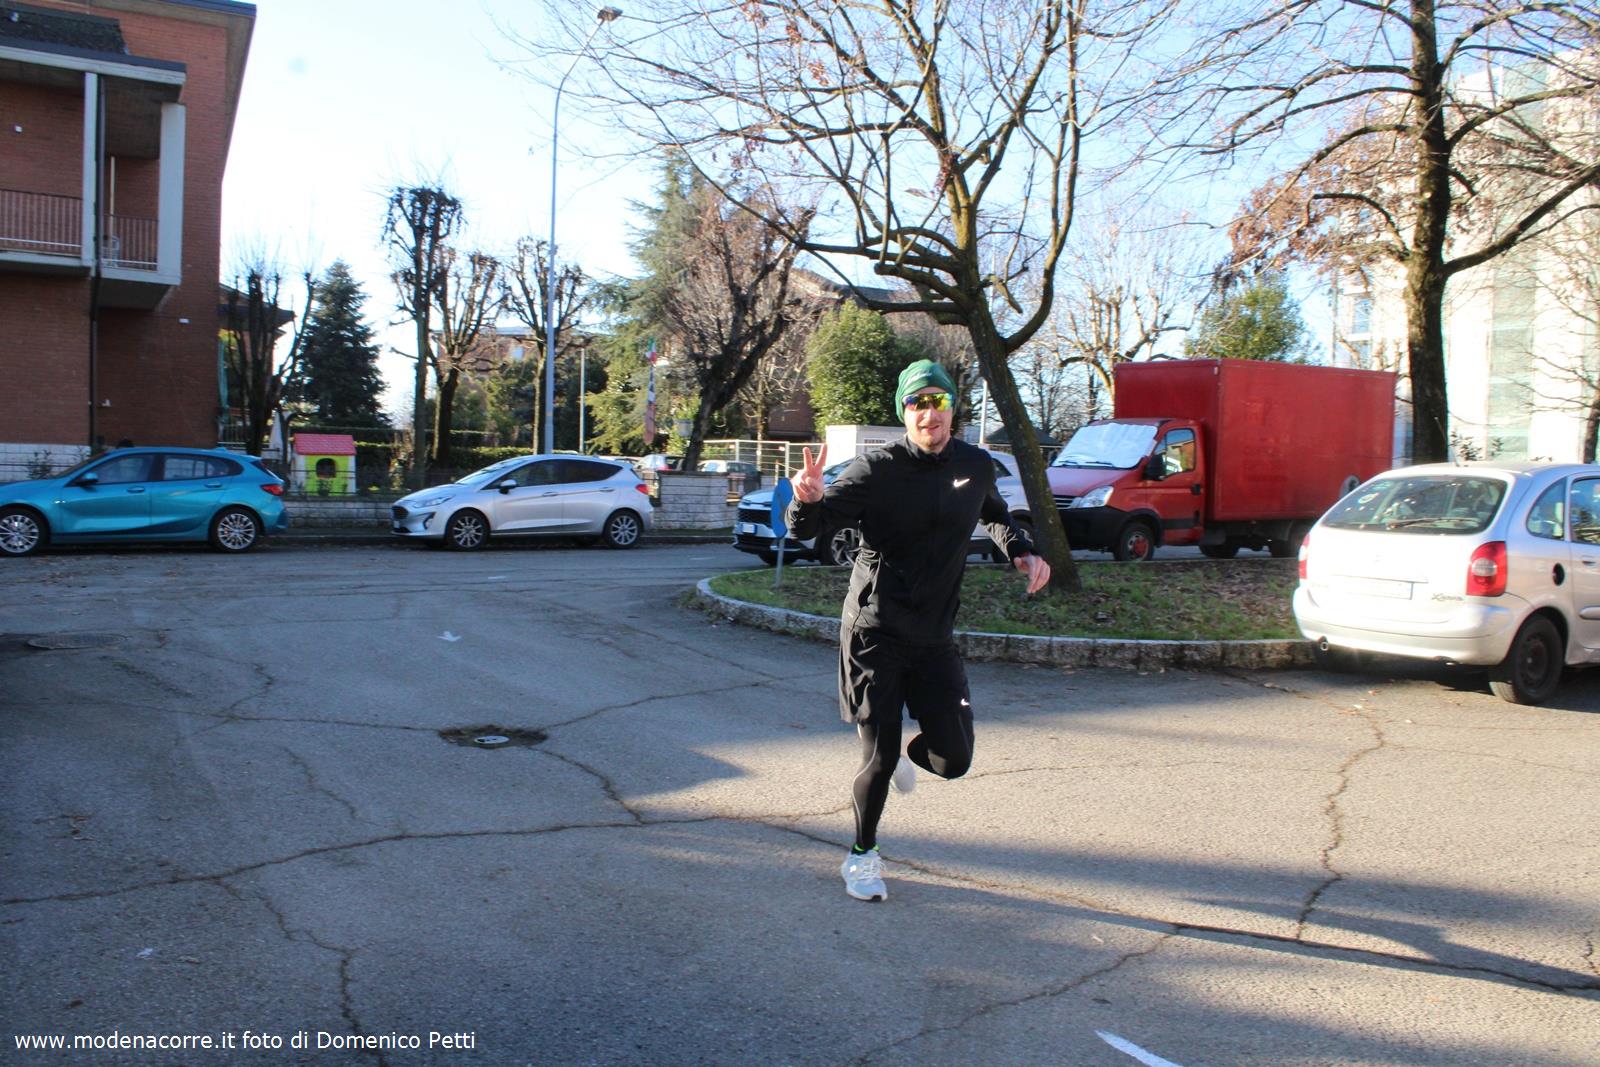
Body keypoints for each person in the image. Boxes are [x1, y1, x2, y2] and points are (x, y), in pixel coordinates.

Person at [786, 358, 1051, 902]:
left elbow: (995, 513)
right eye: (917, 403)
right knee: (877, 757)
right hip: (874, 633)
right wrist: (805, 501)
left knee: (954, 760)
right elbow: (813, 526)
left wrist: (1021, 551)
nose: (929, 413)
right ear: (904, 414)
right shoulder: (876, 470)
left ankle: (910, 758)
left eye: (938, 401)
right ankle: (862, 856)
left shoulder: (975, 464)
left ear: (953, 408)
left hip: (934, 637)